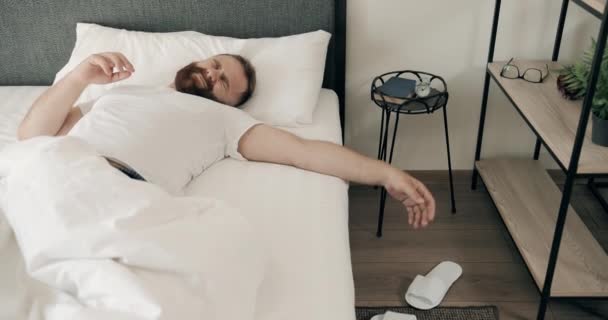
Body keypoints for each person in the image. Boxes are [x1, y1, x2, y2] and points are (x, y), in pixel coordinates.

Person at [17, 52, 436, 229]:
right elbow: (32, 135)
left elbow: (305, 152)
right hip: (54, 167)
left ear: (232, 103)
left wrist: (386, 174)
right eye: (215, 66)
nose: (212, 75)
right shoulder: (121, 93)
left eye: (223, 83)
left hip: (119, 192)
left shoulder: (224, 120)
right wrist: (78, 78)